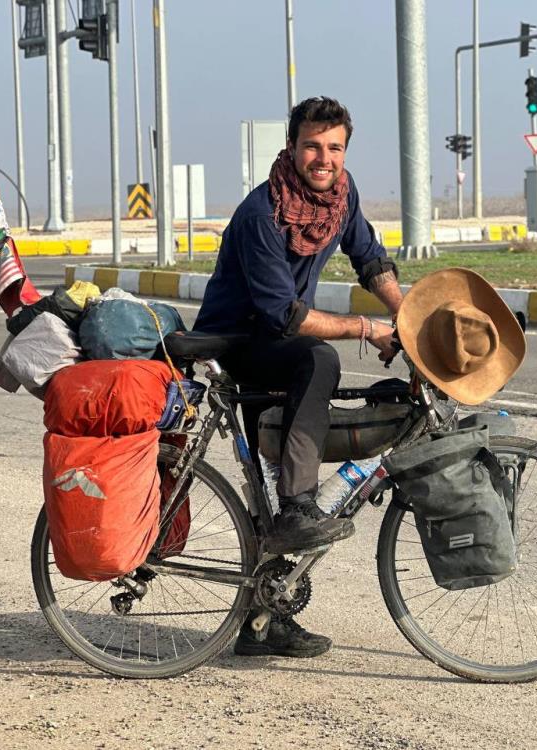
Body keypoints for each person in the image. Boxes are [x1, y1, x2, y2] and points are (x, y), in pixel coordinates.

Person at [193, 96, 405, 658]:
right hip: (239, 341)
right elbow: (282, 315)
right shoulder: (262, 215)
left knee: (280, 463)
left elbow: (370, 257)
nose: (324, 158)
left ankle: (265, 622)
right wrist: (367, 327)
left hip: (276, 341)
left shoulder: (340, 196)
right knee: (319, 361)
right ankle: (297, 508)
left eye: (334, 147)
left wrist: (405, 313)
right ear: (291, 147)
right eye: (313, 145)